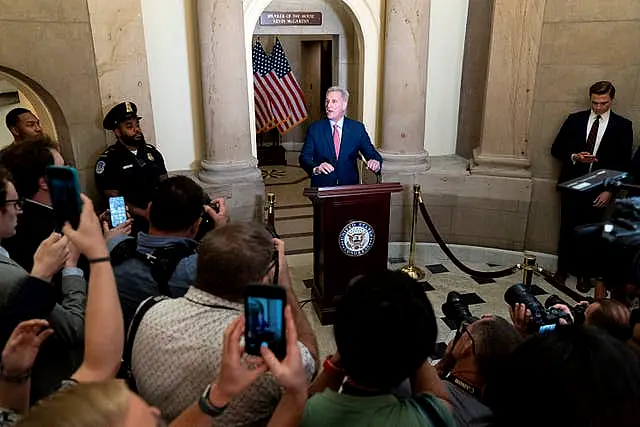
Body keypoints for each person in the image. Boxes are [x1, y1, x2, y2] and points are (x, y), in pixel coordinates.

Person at [131, 223, 318, 423]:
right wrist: (284, 285)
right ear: (265, 278)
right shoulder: (269, 355)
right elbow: (311, 366)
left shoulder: (148, 310)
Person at [303, 270, 454, 426]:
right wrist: (412, 341)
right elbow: (442, 401)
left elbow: (300, 406)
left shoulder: (311, 414)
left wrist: (336, 361)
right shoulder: (430, 418)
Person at [0, 167, 85, 403]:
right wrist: (70, 266)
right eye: (14, 202)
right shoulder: (10, 278)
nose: (19, 210)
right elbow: (74, 328)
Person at [550, 81, 633, 291]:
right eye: (595, 102)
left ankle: (584, 275)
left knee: (591, 233)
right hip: (572, 185)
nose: (598, 107)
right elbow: (556, 148)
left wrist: (610, 190)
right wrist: (575, 156)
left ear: (611, 100)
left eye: (603, 103)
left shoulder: (622, 126)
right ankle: (562, 270)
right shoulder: (574, 120)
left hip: (600, 189)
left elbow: (623, 163)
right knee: (566, 229)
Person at [95, 101, 167, 233]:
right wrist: (144, 213)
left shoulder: (152, 153)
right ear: (117, 131)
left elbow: (165, 184)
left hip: (159, 218)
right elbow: (114, 201)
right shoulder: (108, 160)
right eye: (129, 126)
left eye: (137, 125)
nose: (137, 130)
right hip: (129, 224)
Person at [299, 86, 382, 187]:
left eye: (334, 101)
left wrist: (375, 163)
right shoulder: (315, 129)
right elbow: (304, 158)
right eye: (327, 101)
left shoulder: (357, 128)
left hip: (349, 187)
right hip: (322, 187)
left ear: (344, 105)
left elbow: (373, 155)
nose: (328, 106)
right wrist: (316, 168)